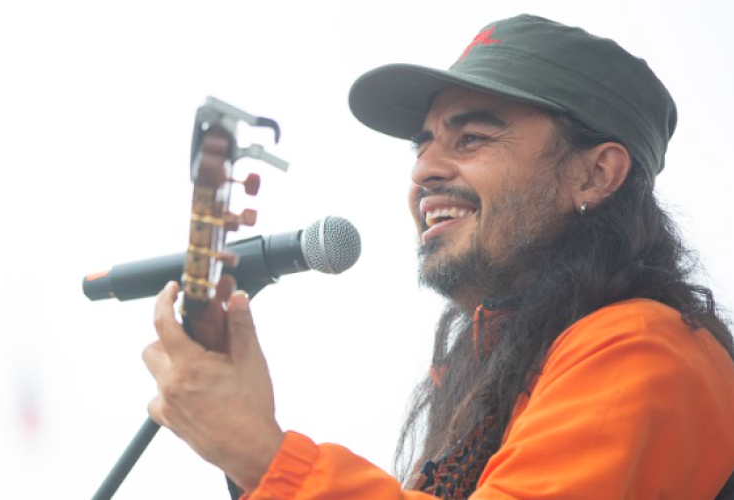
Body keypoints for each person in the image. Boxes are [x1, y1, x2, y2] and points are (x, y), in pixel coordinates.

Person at [141, 14, 734, 500]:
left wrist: (261, 455)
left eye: (472, 138)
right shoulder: (502, 364)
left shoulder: (642, 345)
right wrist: (251, 466)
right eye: (422, 145)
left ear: (596, 174)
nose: (423, 170)